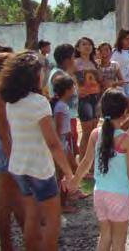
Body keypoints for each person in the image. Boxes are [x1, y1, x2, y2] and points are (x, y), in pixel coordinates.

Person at [0, 52, 74, 250]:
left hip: (19, 166)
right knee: (52, 219)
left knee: (31, 215)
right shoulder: (39, 103)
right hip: (39, 168)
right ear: (33, 76)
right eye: (41, 72)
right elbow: (53, 143)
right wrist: (68, 172)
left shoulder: (11, 103)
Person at [67, 89, 129, 251]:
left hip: (99, 193)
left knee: (105, 236)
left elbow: (86, 162)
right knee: (119, 242)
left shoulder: (95, 134)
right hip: (120, 196)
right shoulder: (126, 139)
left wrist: (75, 181)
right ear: (125, 113)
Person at [0, 53, 25, 250]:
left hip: (7, 147)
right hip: (6, 148)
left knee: (14, 200)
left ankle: (26, 236)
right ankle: (6, 244)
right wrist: (13, 157)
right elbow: (4, 130)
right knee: (6, 203)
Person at [48, 44, 81, 178]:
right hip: (67, 117)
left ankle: (72, 179)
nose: (75, 60)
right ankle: (69, 181)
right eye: (73, 57)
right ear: (67, 60)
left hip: (70, 114)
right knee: (69, 149)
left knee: (71, 149)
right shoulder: (59, 74)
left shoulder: (61, 72)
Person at [51, 75, 79, 214]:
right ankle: (61, 204)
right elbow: (58, 128)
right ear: (67, 90)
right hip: (61, 144)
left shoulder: (63, 105)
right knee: (61, 175)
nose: (74, 89)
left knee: (72, 168)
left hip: (65, 143)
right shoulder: (61, 106)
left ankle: (69, 194)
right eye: (72, 87)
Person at [74, 37, 101, 162]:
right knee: (86, 132)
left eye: (89, 44)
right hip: (84, 99)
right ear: (78, 48)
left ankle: (92, 160)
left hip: (96, 97)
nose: (87, 46)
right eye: (84, 44)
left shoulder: (94, 63)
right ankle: (83, 161)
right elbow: (69, 78)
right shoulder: (75, 62)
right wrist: (76, 90)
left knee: (94, 130)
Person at [111, 29, 129, 140]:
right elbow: (112, 69)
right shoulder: (115, 53)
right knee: (120, 115)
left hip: (128, 85)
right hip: (118, 86)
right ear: (121, 39)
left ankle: (116, 135)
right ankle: (115, 137)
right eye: (126, 39)